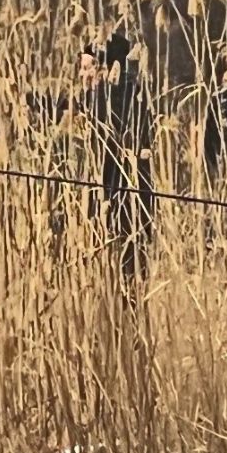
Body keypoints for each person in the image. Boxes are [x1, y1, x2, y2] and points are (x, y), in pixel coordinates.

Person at [85, 31, 157, 276]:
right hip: (126, 184)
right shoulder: (126, 93)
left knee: (126, 248)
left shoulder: (118, 94)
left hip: (122, 184)